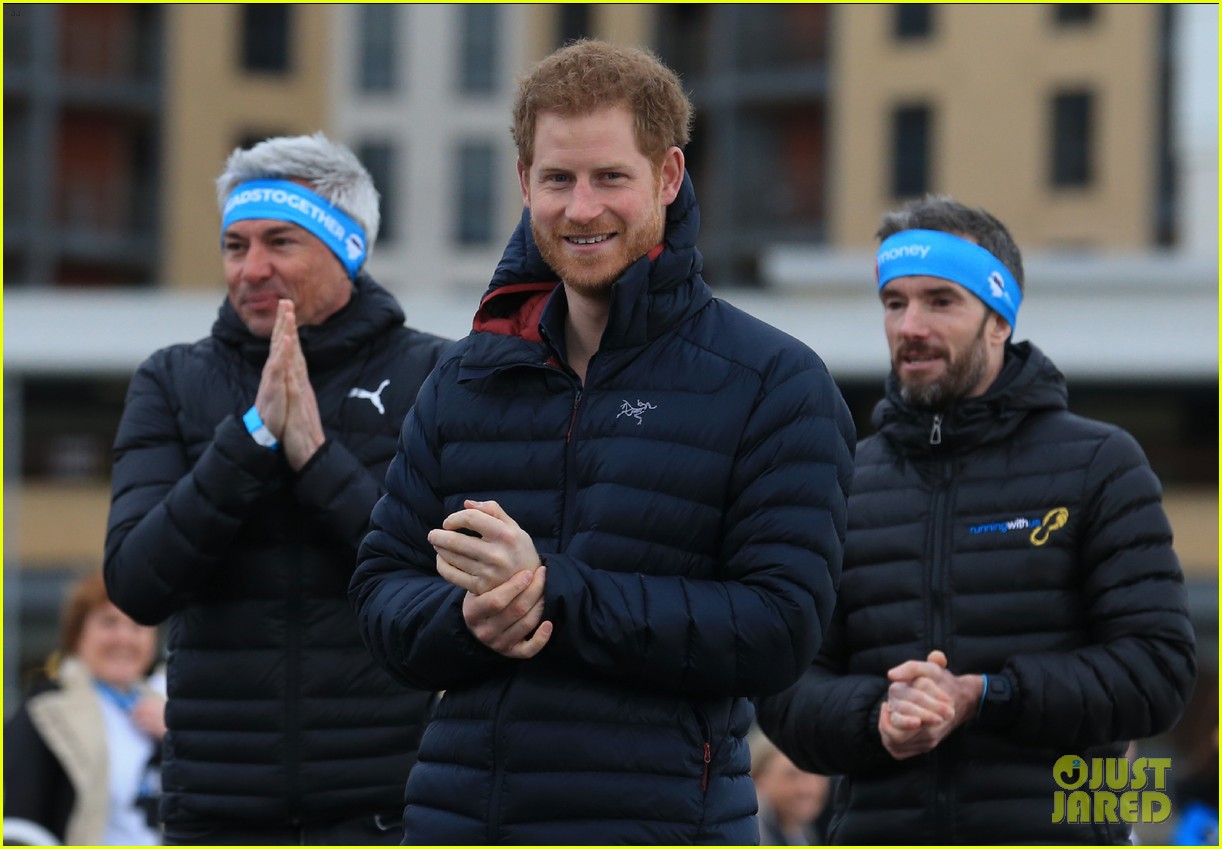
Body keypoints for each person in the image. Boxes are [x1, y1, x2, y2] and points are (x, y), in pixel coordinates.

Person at [349, 39, 855, 843]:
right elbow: (379, 590)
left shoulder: (774, 383)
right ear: (524, 184)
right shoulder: (464, 380)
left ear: (669, 175)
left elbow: (780, 628)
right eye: (558, 179)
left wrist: (555, 593)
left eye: (610, 177)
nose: (582, 209)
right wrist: (470, 621)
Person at [755, 195, 1197, 844]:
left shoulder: (1100, 464)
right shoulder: (843, 481)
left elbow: (1157, 672)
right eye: (895, 302)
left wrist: (984, 694)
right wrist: (878, 715)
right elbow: (786, 688)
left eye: (940, 301)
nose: (910, 325)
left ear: (999, 319)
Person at [103, 133, 451, 844]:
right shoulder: (172, 380)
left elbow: (439, 576)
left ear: (347, 248)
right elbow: (136, 581)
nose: (251, 269)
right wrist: (253, 437)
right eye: (235, 246)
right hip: (214, 810)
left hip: (391, 807)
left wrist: (315, 457)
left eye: (280, 242)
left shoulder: (435, 377)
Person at [4, 571, 165, 845]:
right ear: (77, 635)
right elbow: (21, 824)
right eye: (108, 622)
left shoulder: (169, 708)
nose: (124, 638)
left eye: (137, 625)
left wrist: (180, 738)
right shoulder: (47, 709)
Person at [750, 731, 829, 845]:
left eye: (816, 775)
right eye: (791, 776)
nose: (807, 789)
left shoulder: (801, 830)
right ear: (758, 779)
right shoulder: (748, 835)